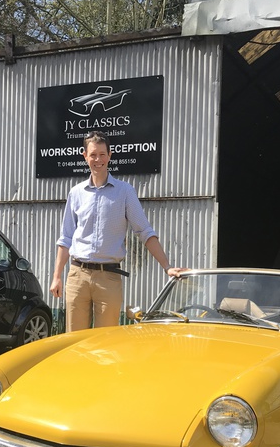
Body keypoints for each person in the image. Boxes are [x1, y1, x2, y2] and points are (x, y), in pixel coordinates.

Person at [50, 131, 185, 332]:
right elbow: (66, 237)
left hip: (108, 278)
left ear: (110, 155)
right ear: (85, 156)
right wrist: (57, 276)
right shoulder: (76, 193)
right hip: (77, 276)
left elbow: (144, 231)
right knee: (74, 340)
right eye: (93, 155)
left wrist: (167, 267)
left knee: (106, 340)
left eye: (102, 154)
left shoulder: (125, 192)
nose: (98, 160)